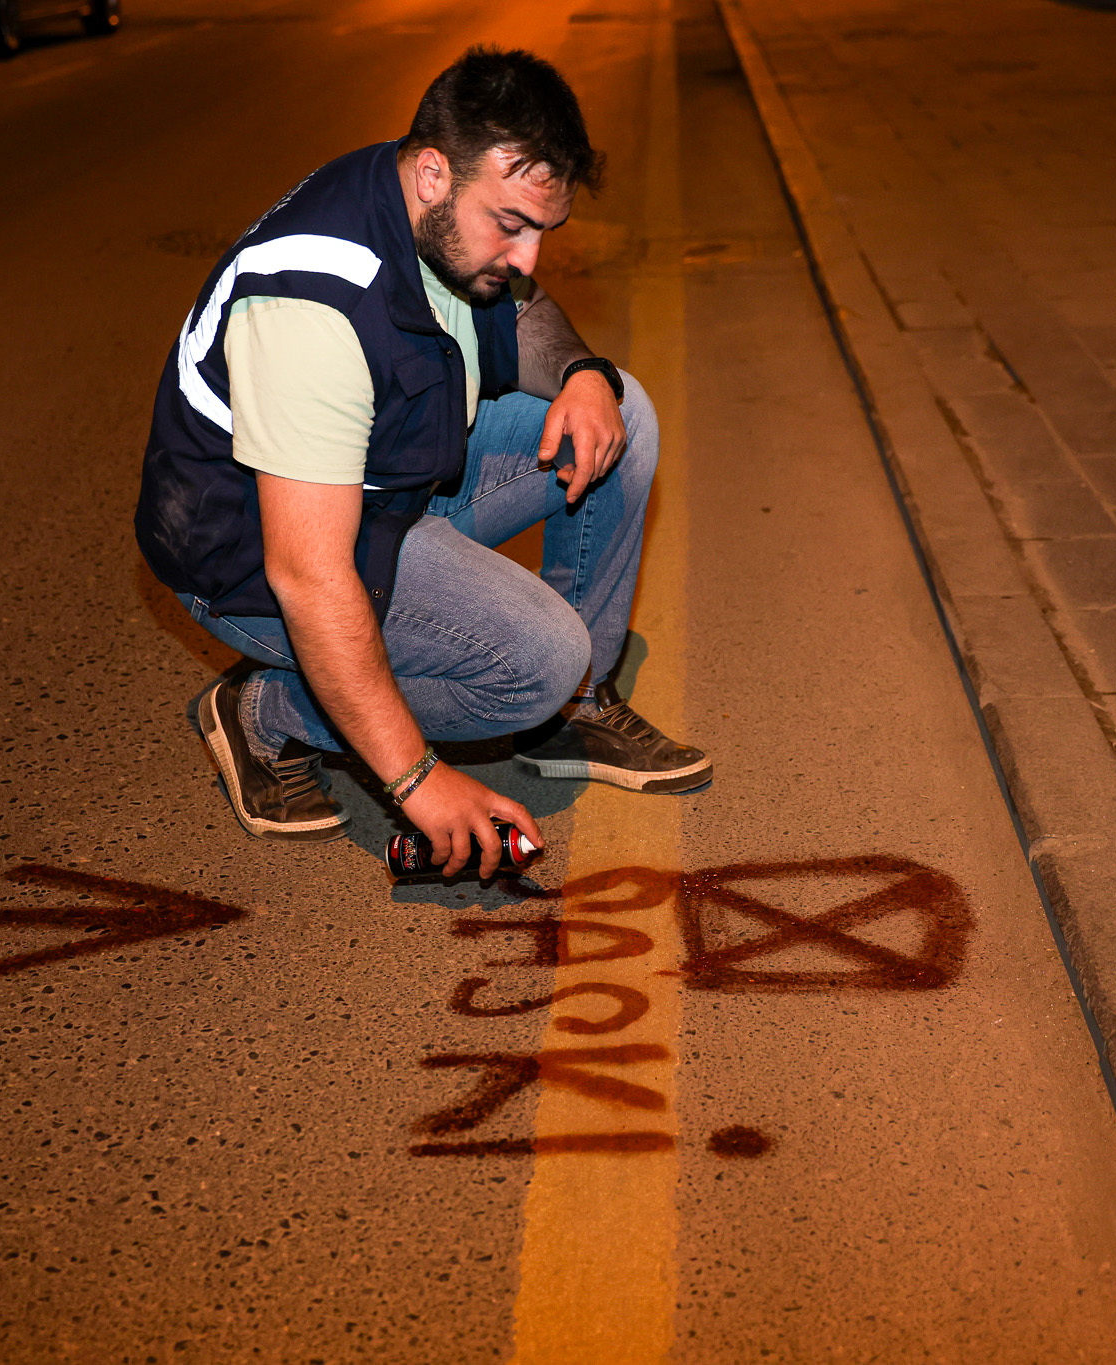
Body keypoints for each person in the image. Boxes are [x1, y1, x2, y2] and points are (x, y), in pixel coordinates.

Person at [134, 46, 710, 879]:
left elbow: (525, 308)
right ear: (436, 174)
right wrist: (419, 779)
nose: (526, 259)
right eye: (509, 225)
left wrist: (586, 375)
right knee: (536, 661)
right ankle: (268, 710)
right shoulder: (312, 306)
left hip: (390, 475)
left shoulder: (432, 213)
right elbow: (310, 574)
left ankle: (577, 710)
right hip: (260, 553)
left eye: (543, 231)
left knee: (624, 413)